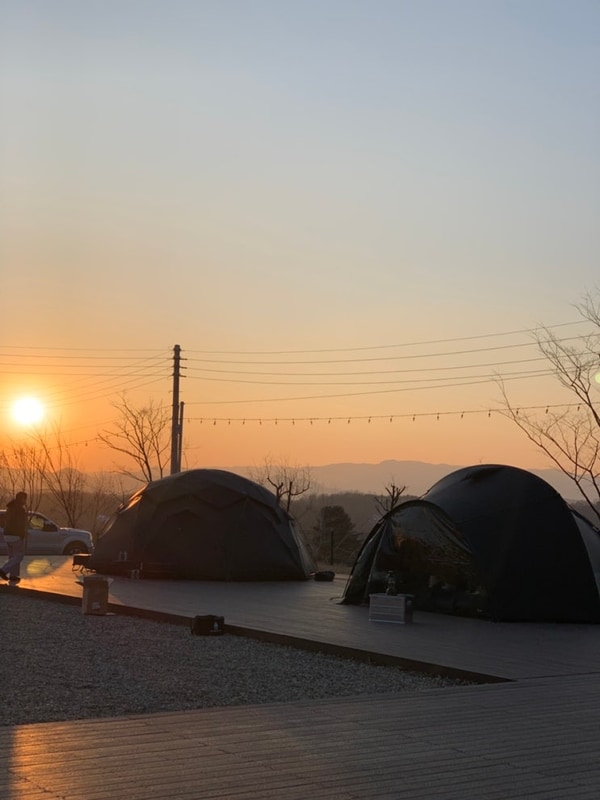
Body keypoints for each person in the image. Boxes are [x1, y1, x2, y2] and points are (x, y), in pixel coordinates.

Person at [0, 491, 29, 585]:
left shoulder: (10, 508)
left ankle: (13, 576)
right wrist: (22, 534)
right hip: (15, 535)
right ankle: (3, 570)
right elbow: (20, 524)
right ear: (22, 499)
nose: (25, 501)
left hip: (7, 535)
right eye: (25, 499)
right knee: (19, 556)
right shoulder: (20, 510)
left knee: (12, 557)